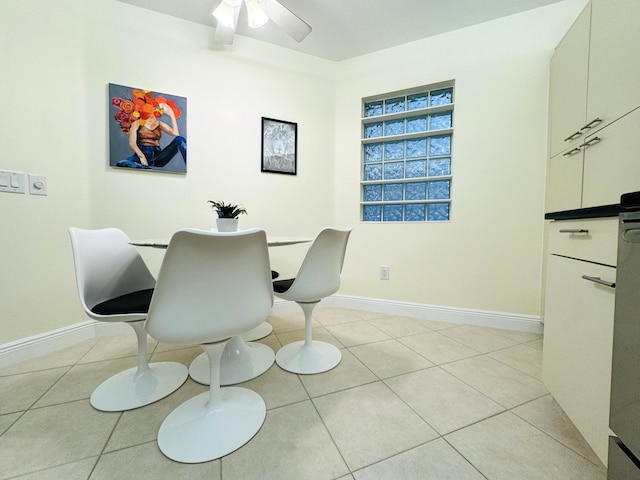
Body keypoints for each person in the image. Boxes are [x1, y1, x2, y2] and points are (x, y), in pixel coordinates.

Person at [115, 98, 187, 170]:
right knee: (121, 163)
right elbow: (132, 143)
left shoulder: (159, 124)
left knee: (180, 139)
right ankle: (146, 168)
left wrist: (171, 114)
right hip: (141, 154)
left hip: (157, 157)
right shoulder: (137, 123)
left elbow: (176, 134)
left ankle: (189, 165)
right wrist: (141, 156)